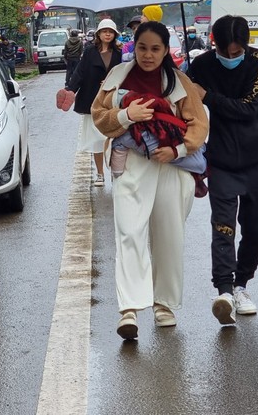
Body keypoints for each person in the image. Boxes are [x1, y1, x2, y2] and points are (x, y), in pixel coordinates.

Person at [91, 21, 208, 340]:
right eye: (143, 47)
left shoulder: (179, 81)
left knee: (169, 235)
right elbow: (99, 116)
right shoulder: (116, 78)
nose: (148, 55)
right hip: (131, 165)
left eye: (156, 48)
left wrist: (178, 148)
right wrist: (128, 116)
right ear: (134, 46)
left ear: (165, 50)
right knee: (129, 231)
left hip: (173, 166)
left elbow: (199, 124)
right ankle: (129, 308)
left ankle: (164, 304)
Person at [187, 15, 258, 326]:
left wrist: (208, 96)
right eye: (224, 52)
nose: (231, 57)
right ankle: (224, 290)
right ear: (215, 44)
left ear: (247, 46)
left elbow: (249, 108)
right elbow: (183, 99)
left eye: (237, 53)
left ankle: (242, 285)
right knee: (222, 227)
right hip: (222, 159)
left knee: (257, 228)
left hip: (257, 158)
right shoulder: (201, 66)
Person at [65, 19, 123, 187]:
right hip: (92, 101)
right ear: (98, 34)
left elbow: (126, 75)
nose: (107, 34)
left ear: (114, 35)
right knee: (97, 140)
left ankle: (115, 172)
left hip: (113, 102)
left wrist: (112, 82)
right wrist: (70, 90)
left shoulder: (120, 54)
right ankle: (99, 174)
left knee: (113, 140)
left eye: (110, 32)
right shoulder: (90, 52)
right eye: (104, 31)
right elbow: (80, 73)